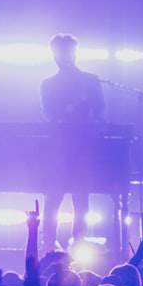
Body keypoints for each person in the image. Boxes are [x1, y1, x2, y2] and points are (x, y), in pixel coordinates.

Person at [40, 34, 105, 252]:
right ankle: (49, 246)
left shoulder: (91, 80)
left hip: (82, 147)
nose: (62, 57)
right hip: (59, 149)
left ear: (74, 53)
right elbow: (49, 114)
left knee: (80, 198)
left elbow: (101, 111)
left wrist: (92, 122)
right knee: (54, 198)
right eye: (58, 53)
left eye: (66, 52)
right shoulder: (48, 84)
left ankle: (78, 244)